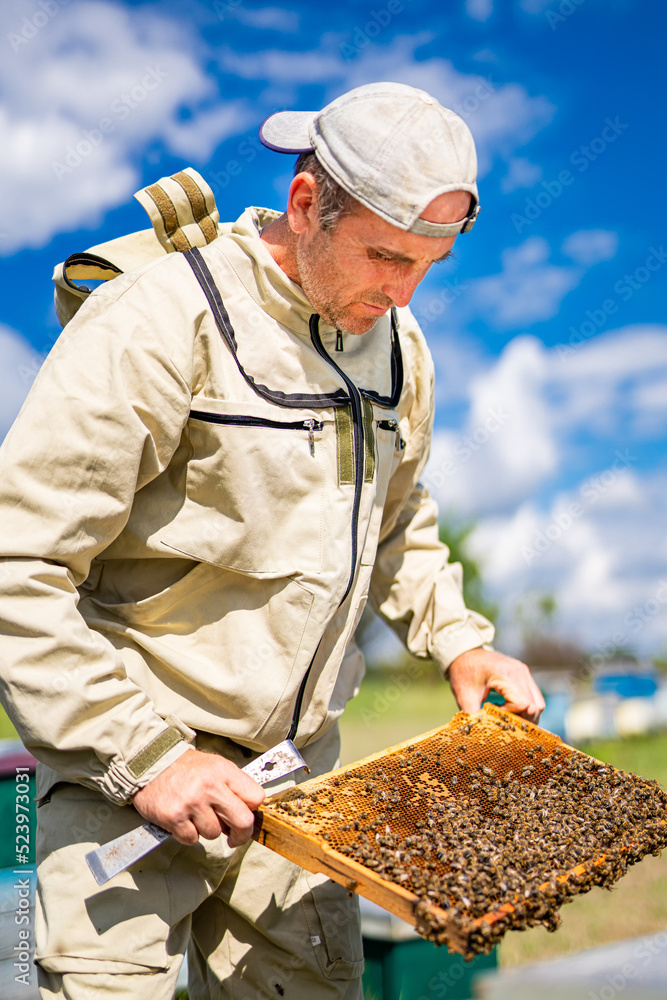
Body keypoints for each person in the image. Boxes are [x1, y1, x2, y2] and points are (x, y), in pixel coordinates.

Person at [0, 81, 544, 999]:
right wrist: (149, 754)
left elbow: (398, 522)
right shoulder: (160, 320)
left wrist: (461, 637)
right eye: (383, 255)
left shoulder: (400, 348)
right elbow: (20, 563)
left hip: (296, 793)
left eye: (427, 263)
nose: (402, 291)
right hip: (124, 782)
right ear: (304, 205)